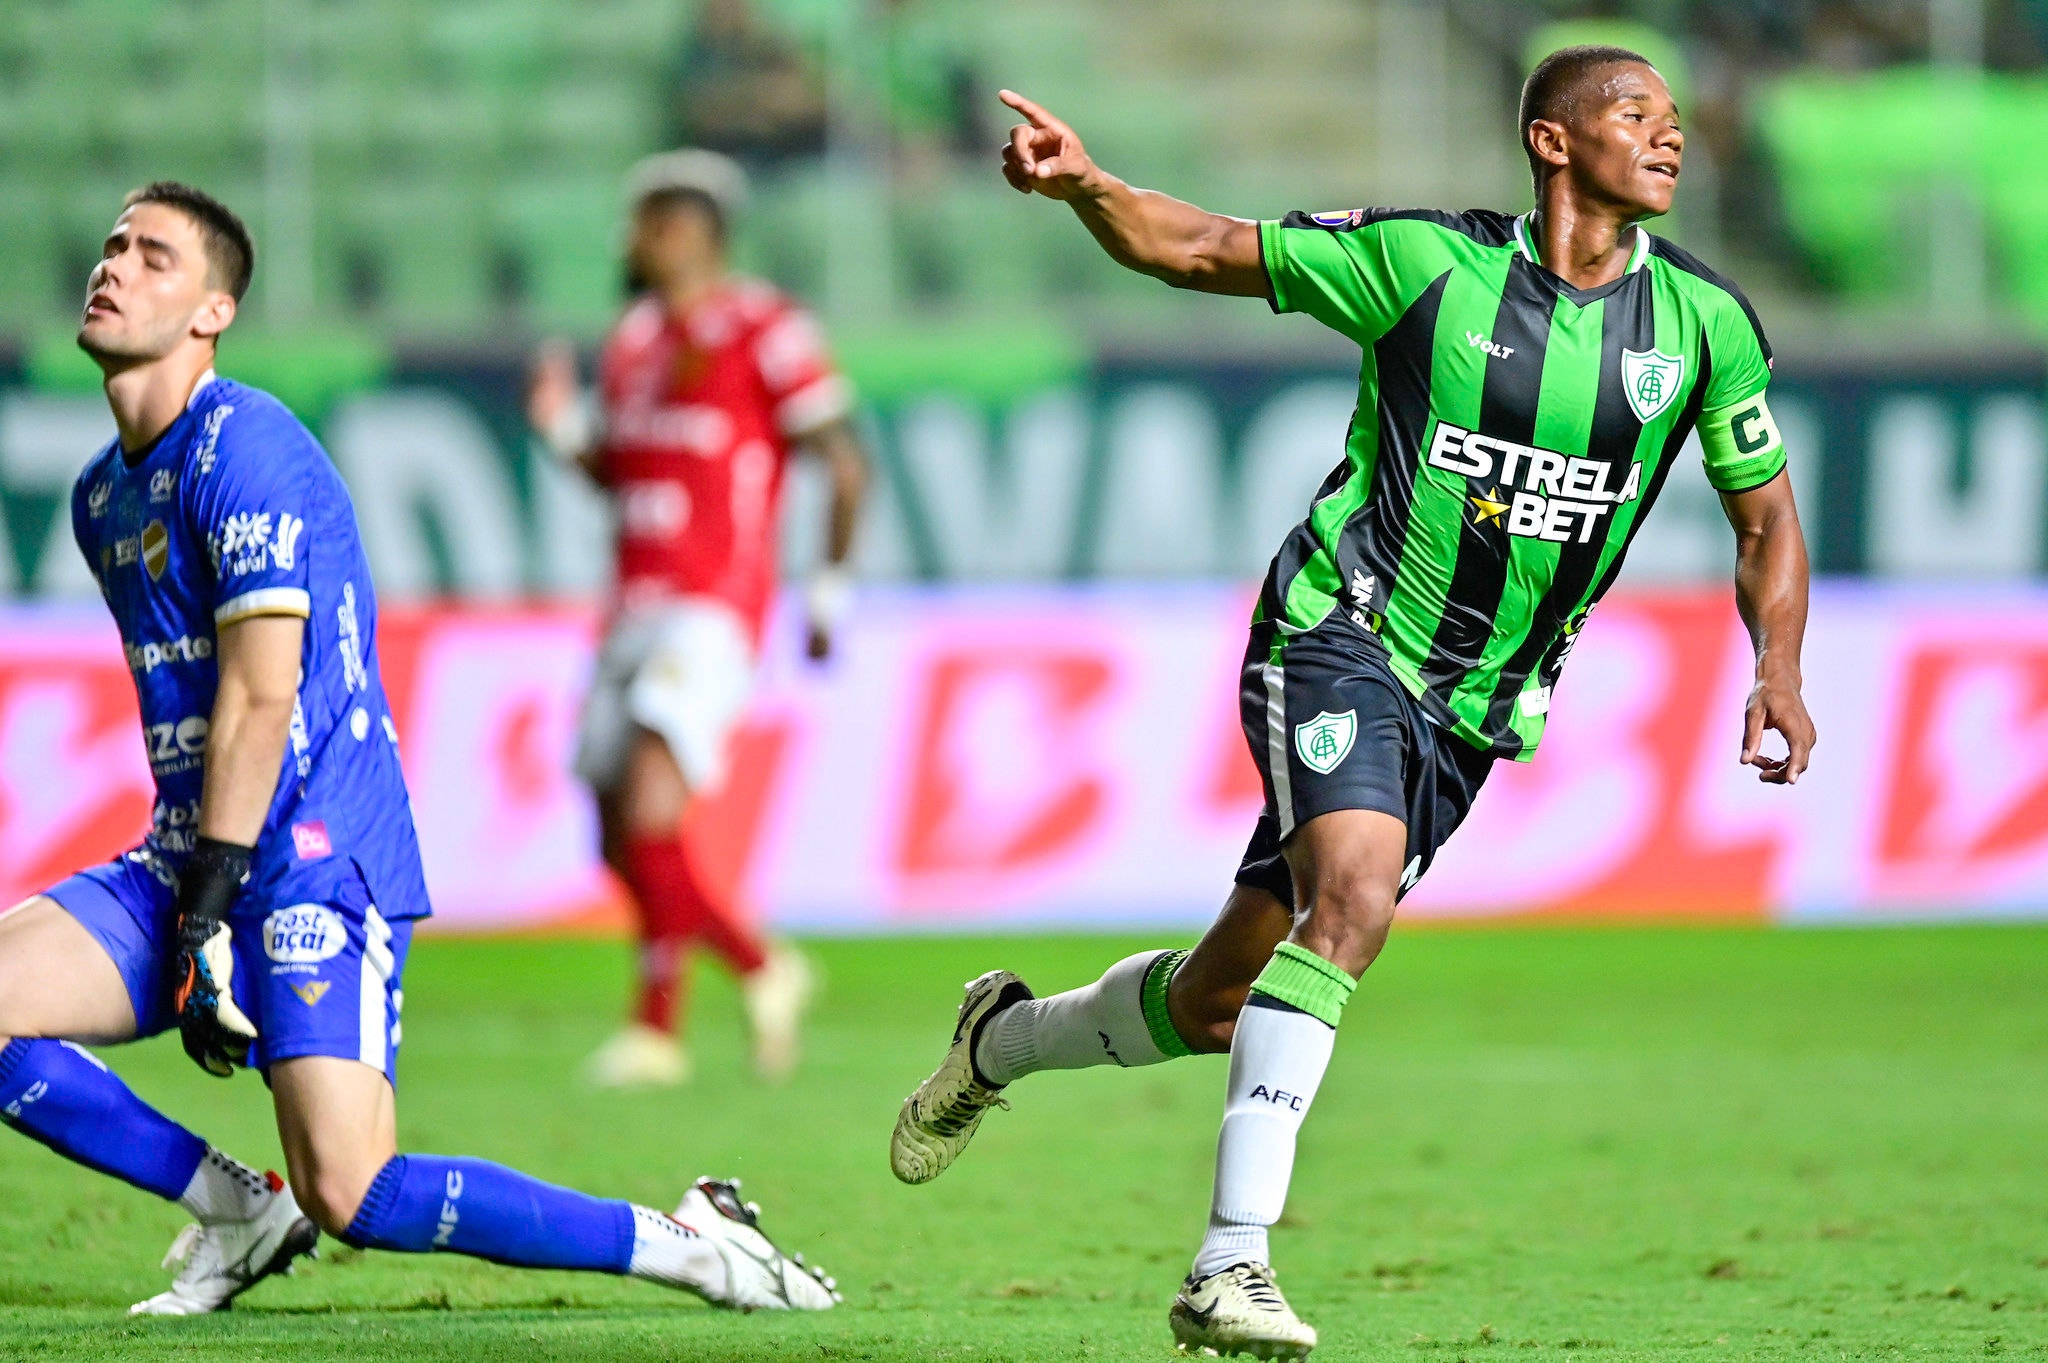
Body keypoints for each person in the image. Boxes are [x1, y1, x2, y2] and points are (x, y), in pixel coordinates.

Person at [890, 48, 1816, 1360]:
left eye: (1676, 122)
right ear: (1552, 141)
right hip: (1341, 632)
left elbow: (1766, 515)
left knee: (1218, 999)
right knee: (1355, 901)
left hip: (1477, 707)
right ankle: (1232, 1263)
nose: (1671, 138)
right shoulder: (1426, 265)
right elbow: (1204, 248)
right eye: (1635, 115)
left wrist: (1777, 667)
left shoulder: (1708, 328)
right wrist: (1090, 187)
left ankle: (1001, 1040)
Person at [0, 181, 839, 1316]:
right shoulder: (105, 495)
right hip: (191, 853)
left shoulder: (246, 446)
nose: (113, 268)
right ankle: (237, 1207)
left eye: (153, 257)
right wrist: (190, 894)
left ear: (212, 312)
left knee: (356, 1191)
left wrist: (205, 917)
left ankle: (690, 1241)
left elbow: (261, 697)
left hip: (309, 855)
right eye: (110, 247)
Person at [527, 150, 868, 1090]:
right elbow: (621, 477)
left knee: (652, 802)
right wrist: (562, 431)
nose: (637, 239)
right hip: (630, 601)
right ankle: (764, 967)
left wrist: (828, 589)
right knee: (614, 836)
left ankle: (656, 1029)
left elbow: (843, 460)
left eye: (653, 221)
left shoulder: (767, 327)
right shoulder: (631, 340)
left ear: (695, 231)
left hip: (713, 605)